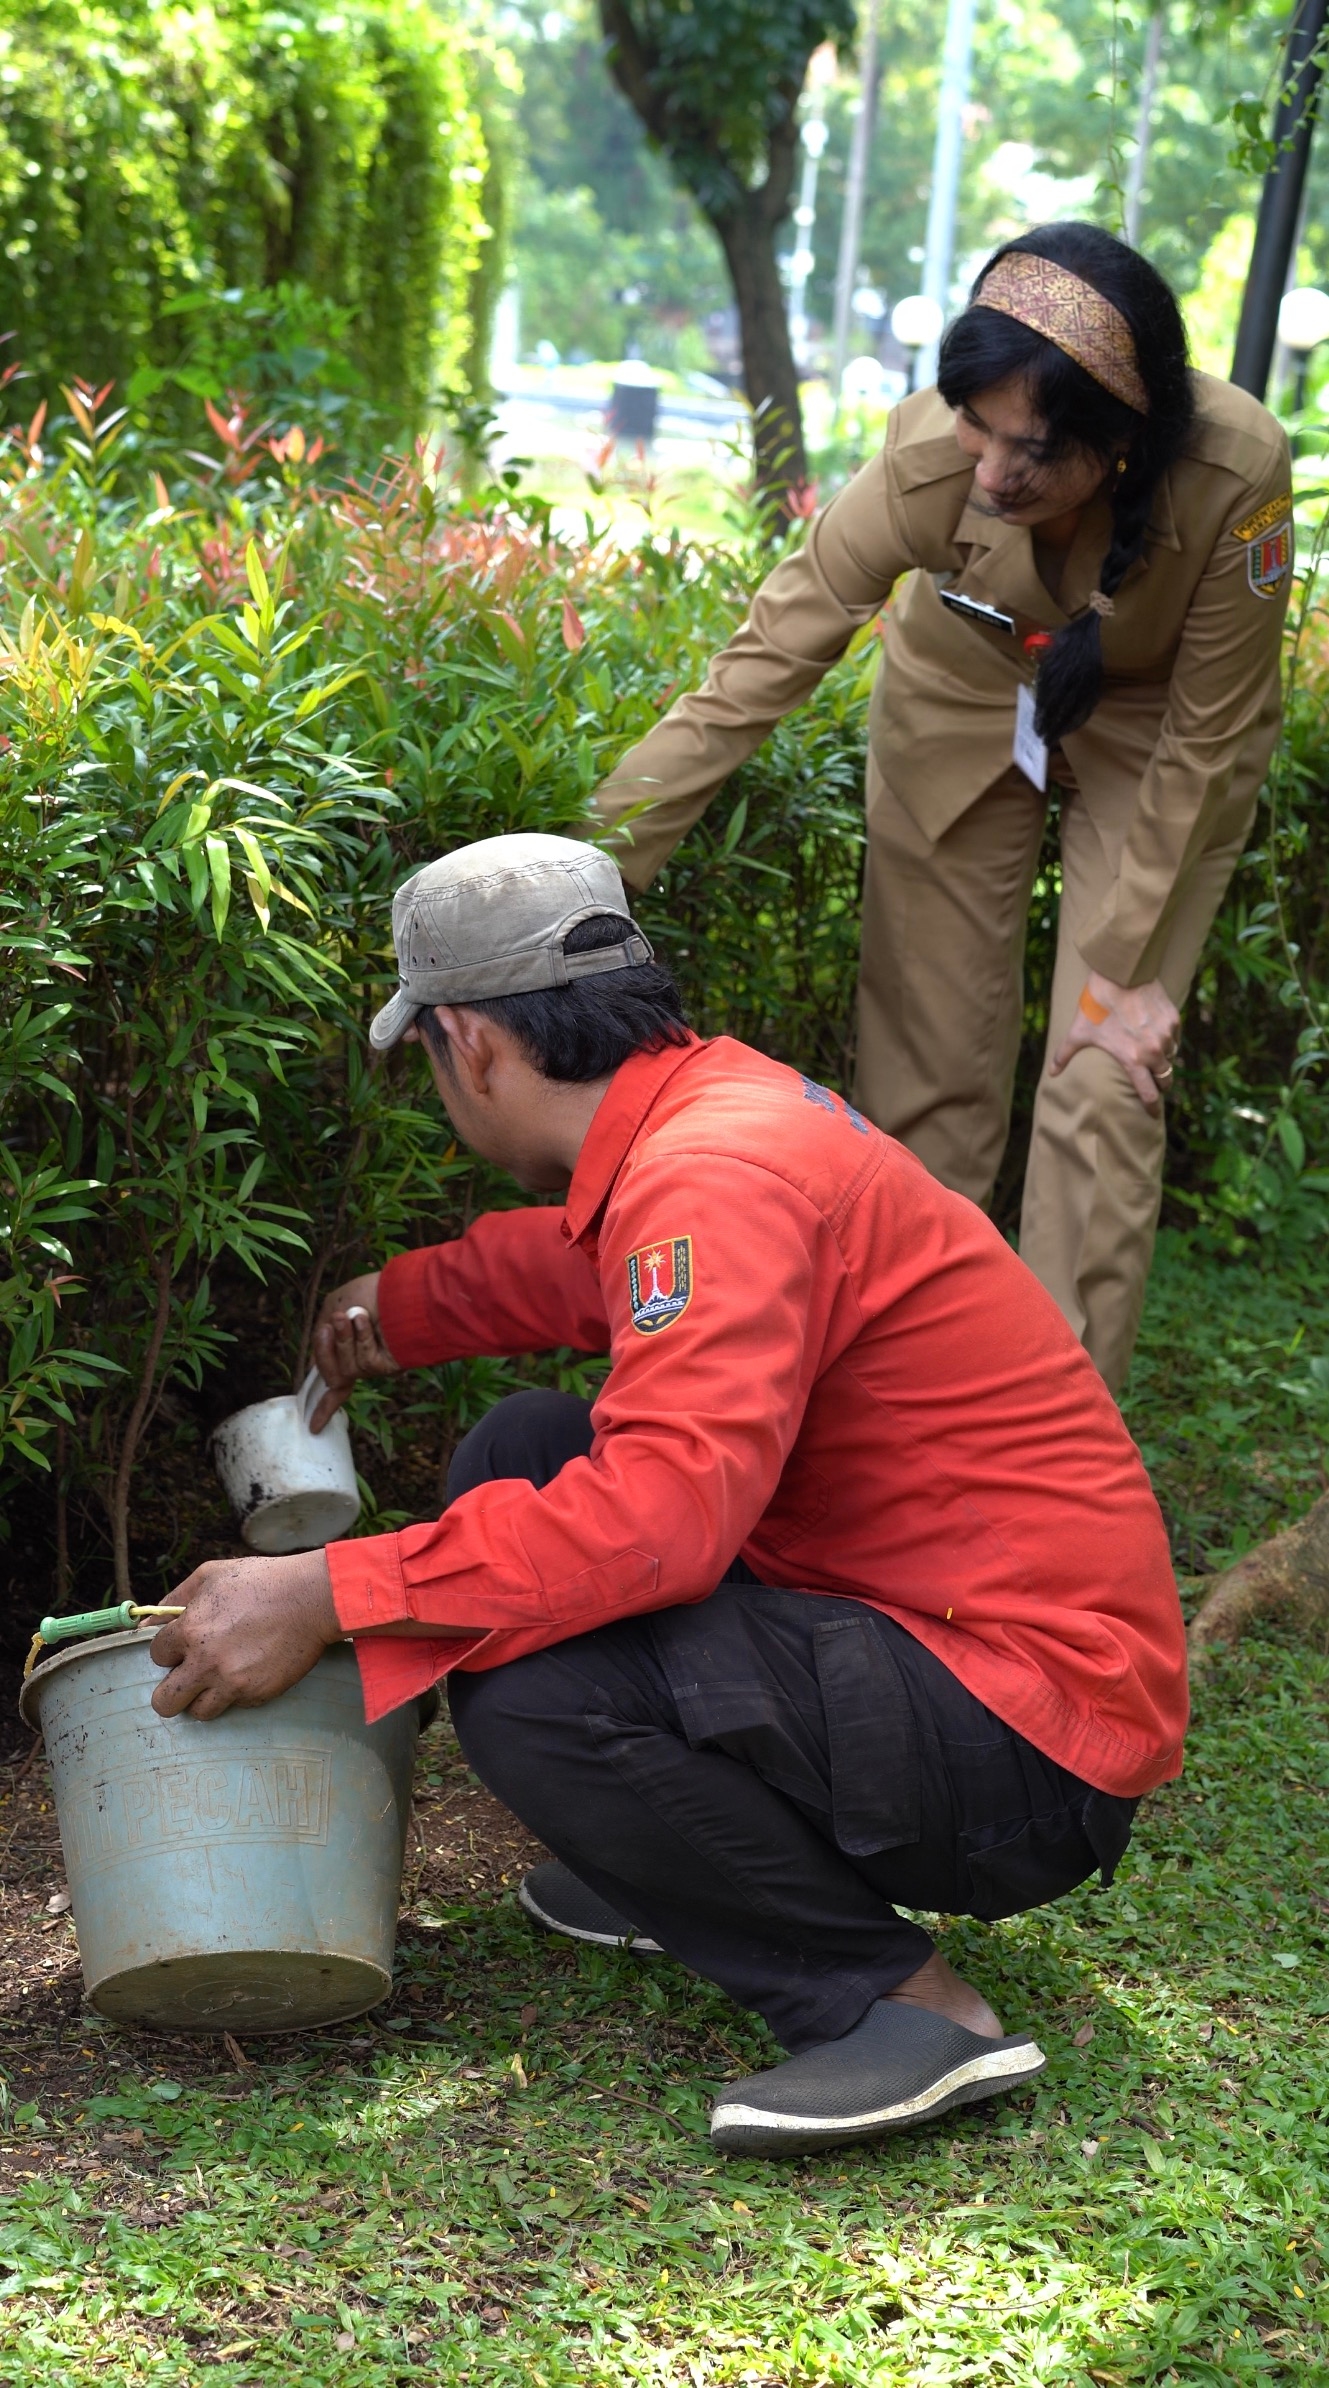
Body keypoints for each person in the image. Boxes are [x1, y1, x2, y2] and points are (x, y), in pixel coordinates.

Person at [150, 831, 1188, 2157]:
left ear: (467, 1044)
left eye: (426, 1062)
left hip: (1026, 1735)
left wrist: (331, 1590)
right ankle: (678, 1864)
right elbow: (608, 1270)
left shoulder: (716, 1171)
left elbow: (659, 1526)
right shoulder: (712, 1114)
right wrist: (400, 1306)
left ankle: (898, 2006)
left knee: (532, 1694)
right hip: (959, 1646)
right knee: (524, 1447)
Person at [593, 222, 1293, 1394]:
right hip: (967, 689)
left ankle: (1060, 1451)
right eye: (977, 424)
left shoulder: (1235, 475)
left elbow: (1209, 736)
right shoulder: (933, 454)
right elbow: (767, 655)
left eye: (1033, 451)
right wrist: (592, 864)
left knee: (1104, 1071)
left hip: (1155, 722)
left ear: (1120, 444)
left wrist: (1117, 979)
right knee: (926, 1075)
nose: (990, 471)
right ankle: (906, 1407)